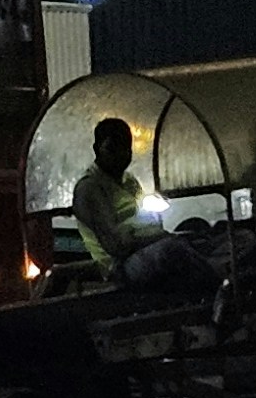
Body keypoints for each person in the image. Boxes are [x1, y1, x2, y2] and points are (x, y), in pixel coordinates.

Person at [69, 115, 209, 292]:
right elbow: (117, 246)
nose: (122, 154)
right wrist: (159, 237)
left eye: (126, 147)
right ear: (97, 149)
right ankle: (220, 286)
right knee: (172, 249)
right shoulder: (89, 188)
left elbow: (149, 218)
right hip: (122, 267)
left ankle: (213, 275)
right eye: (112, 148)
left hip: (151, 247)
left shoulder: (130, 181)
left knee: (234, 237)